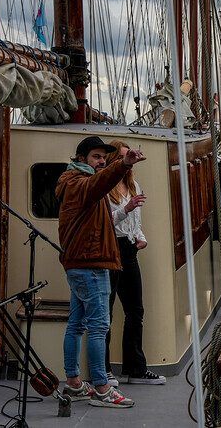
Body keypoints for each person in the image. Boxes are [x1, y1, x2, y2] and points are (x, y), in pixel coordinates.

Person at [56, 136, 145, 408]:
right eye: (96, 156)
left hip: (81, 263)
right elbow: (99, 183)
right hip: (92, 263)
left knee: (76, 324)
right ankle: (103, 388)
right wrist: (122, 166)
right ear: (82, 158)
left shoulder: (72, 183)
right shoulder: (80, 183)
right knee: (98, 327)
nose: (102, 161)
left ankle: (73, 382)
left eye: (104, 157)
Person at [103, 140, 166, 386]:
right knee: (104, 314)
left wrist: (140, 237)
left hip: (128, 250)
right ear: (112, 160)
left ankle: (135, 369)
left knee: (135, 311)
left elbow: (136, 219)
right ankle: (104, 370)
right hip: (110, 249)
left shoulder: (132, 184)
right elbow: (106, 221)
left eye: (129, 157)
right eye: (122, 157)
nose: (127, 161)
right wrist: (126, 208)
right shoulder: (104, 186)